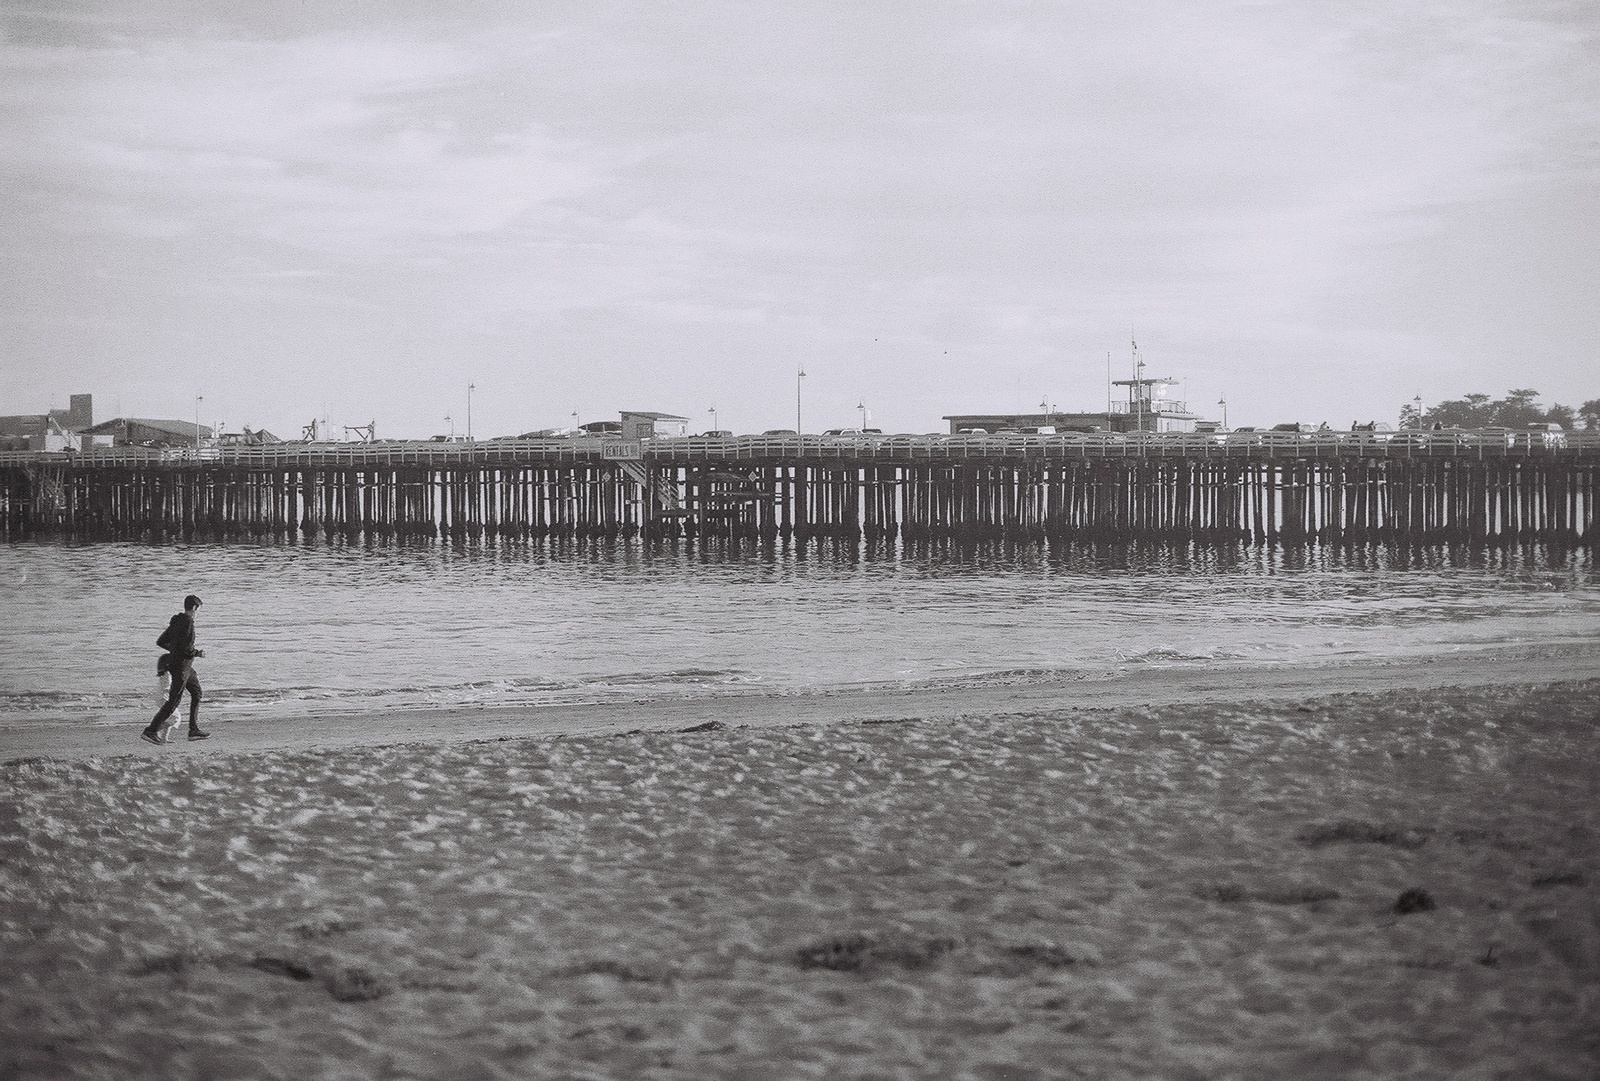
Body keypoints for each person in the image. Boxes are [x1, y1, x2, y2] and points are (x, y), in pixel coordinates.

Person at [140, 594, 210, 745]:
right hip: (181, 667)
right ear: (194, 608)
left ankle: (193, 730)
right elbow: (187, 648)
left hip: (184, 666)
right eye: (198, 610)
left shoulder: (177, 621)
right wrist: (198, 653)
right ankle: (151, 730)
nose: (198, 613)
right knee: (174, 701)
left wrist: (175, 651)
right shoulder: (188, 622)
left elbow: (161, 641)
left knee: (197, 692)